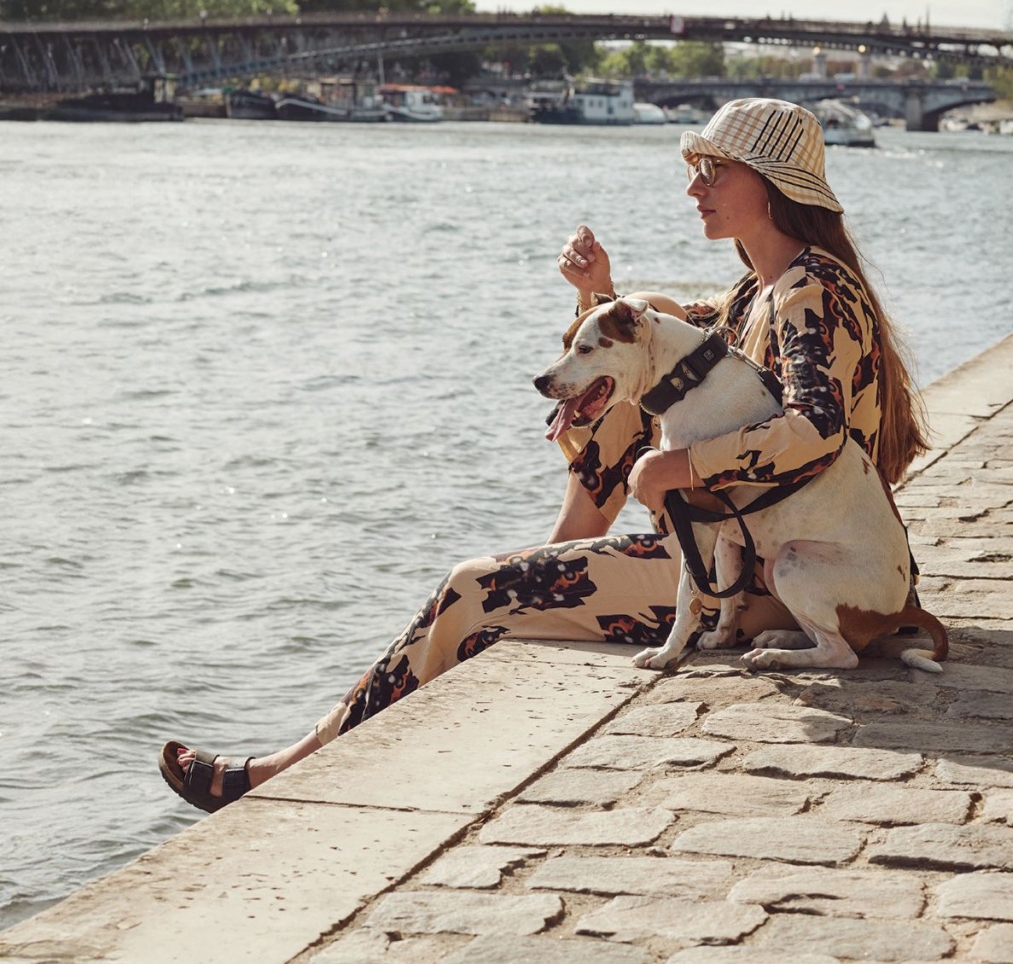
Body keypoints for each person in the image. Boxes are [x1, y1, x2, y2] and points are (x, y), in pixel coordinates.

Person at [160, 98, 928, 812]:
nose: (694, 187)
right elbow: (649, 344)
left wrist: (683, 468)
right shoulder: (758, 292)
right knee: (622, 402)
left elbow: (816, 428)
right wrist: (600, 293)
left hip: (771, 581)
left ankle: (284, 772)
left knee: (474, 590)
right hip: (752, 552)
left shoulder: (808, 293)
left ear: (770, 184)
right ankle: (556, 560)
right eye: (696, 169)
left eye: (715, 170)